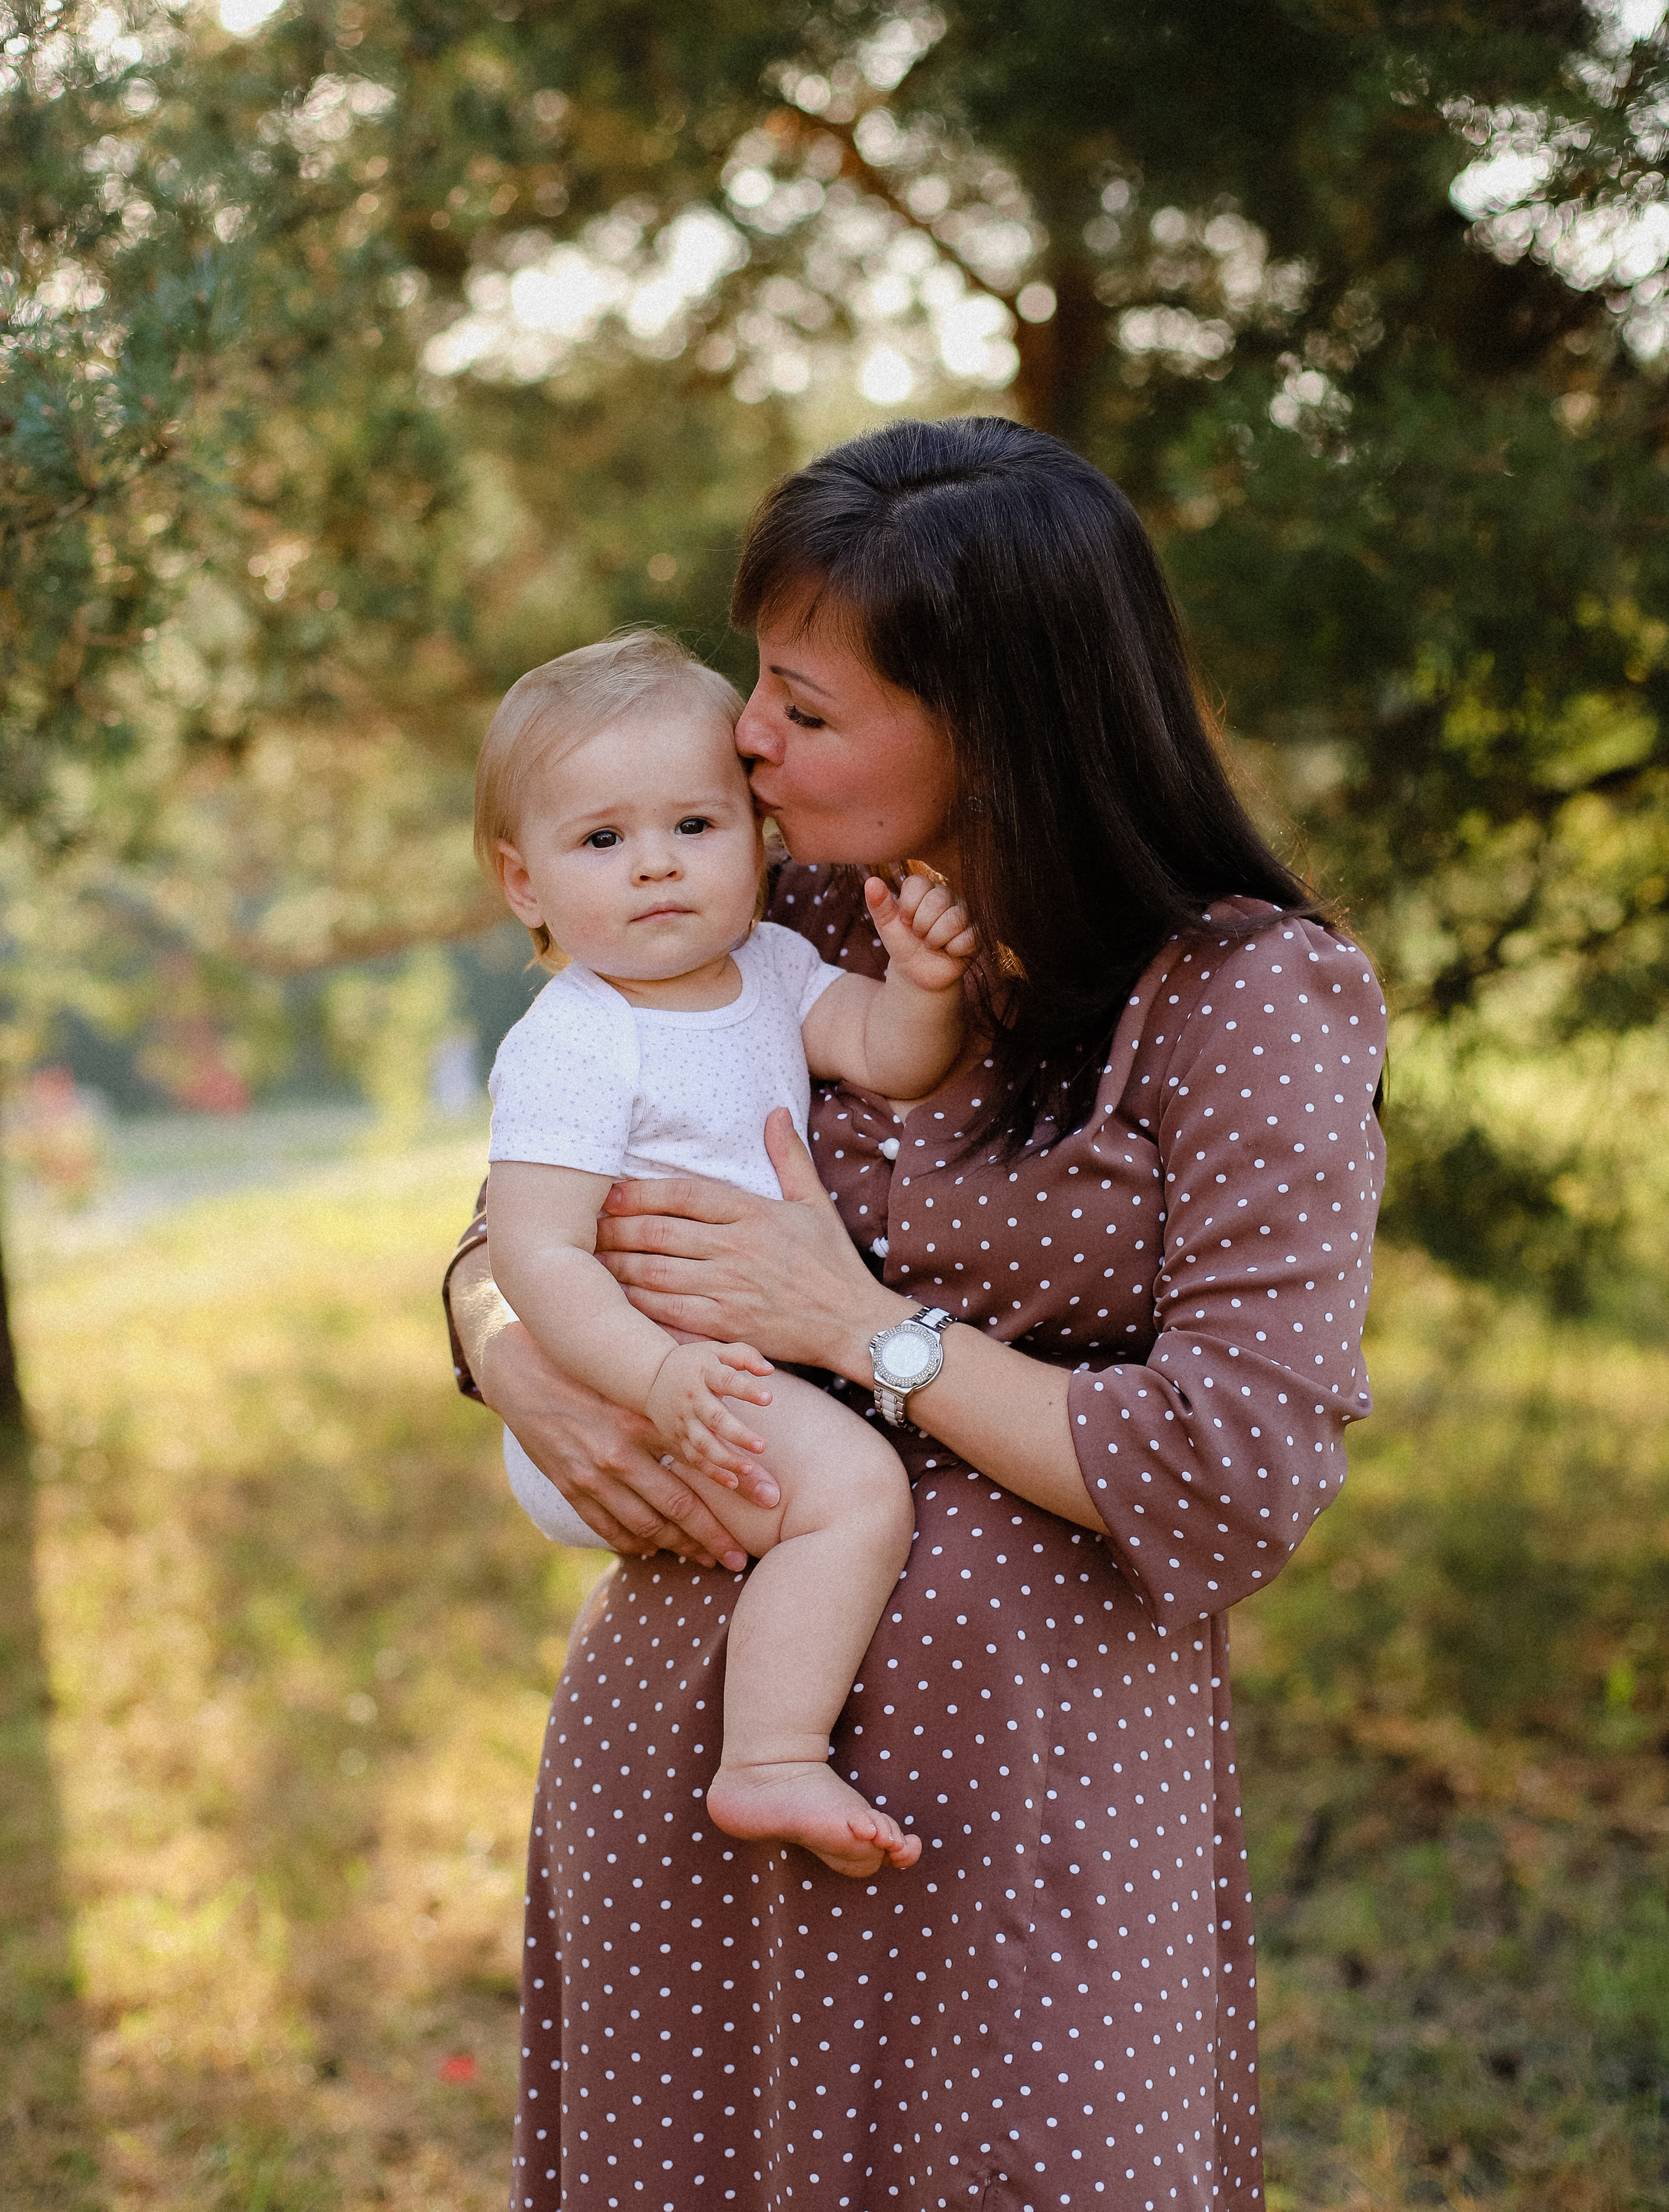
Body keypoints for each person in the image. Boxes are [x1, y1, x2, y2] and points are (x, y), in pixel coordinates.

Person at [444, 415, 1387, 2212]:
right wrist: (506, 1354)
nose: (747, 739)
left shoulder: (1247, 1002)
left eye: (804, 705)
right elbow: (526, 1195)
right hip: (693, 1741)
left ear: (991, 721)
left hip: (1027, 1799)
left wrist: (871, 1327)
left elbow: (1237, 1471)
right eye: (758, 692)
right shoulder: (768, 890)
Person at [476, 629, 976, 1874]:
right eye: (602, 841)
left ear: (754, 834)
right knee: (856, 1496)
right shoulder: (578, 1040)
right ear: (523, 882)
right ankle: (769, 1759)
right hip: (634, 1386)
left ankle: (770, 1748)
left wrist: (919, 984)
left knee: (840, 1486)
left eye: (694, 827)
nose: (655, 868)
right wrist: (656, 1377)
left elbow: (883, 1052)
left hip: (711, 1372)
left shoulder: (770, 965)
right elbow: (535, 1258)